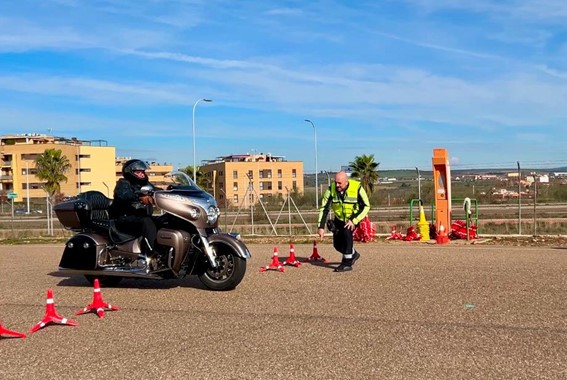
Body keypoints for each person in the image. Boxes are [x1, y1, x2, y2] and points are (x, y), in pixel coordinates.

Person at [317, 171, 371, 272]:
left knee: (347, 233)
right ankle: (353, 254)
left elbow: (366, 206)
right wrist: (321, 227)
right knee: (337, 245)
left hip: (353, 218)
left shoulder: (357, 188)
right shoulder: (331, 189)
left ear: (346, 182)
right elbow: (324, 208)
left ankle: (347, 263)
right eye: (335, 182)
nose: (337, 185)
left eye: (339, 183)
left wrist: (354, 220)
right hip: (339, 219)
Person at [110, 159, 158, 259]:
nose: (142, 174)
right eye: (138, 172)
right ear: (130, 172)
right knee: (147, 222)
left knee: (164, 220)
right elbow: (126, 195)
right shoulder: (123, 184)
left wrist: (173, 190)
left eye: (143, 172)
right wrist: (139, 197)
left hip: (140, 218)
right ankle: (153, 252)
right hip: (124, 219)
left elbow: (157, 191)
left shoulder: (146, 185)